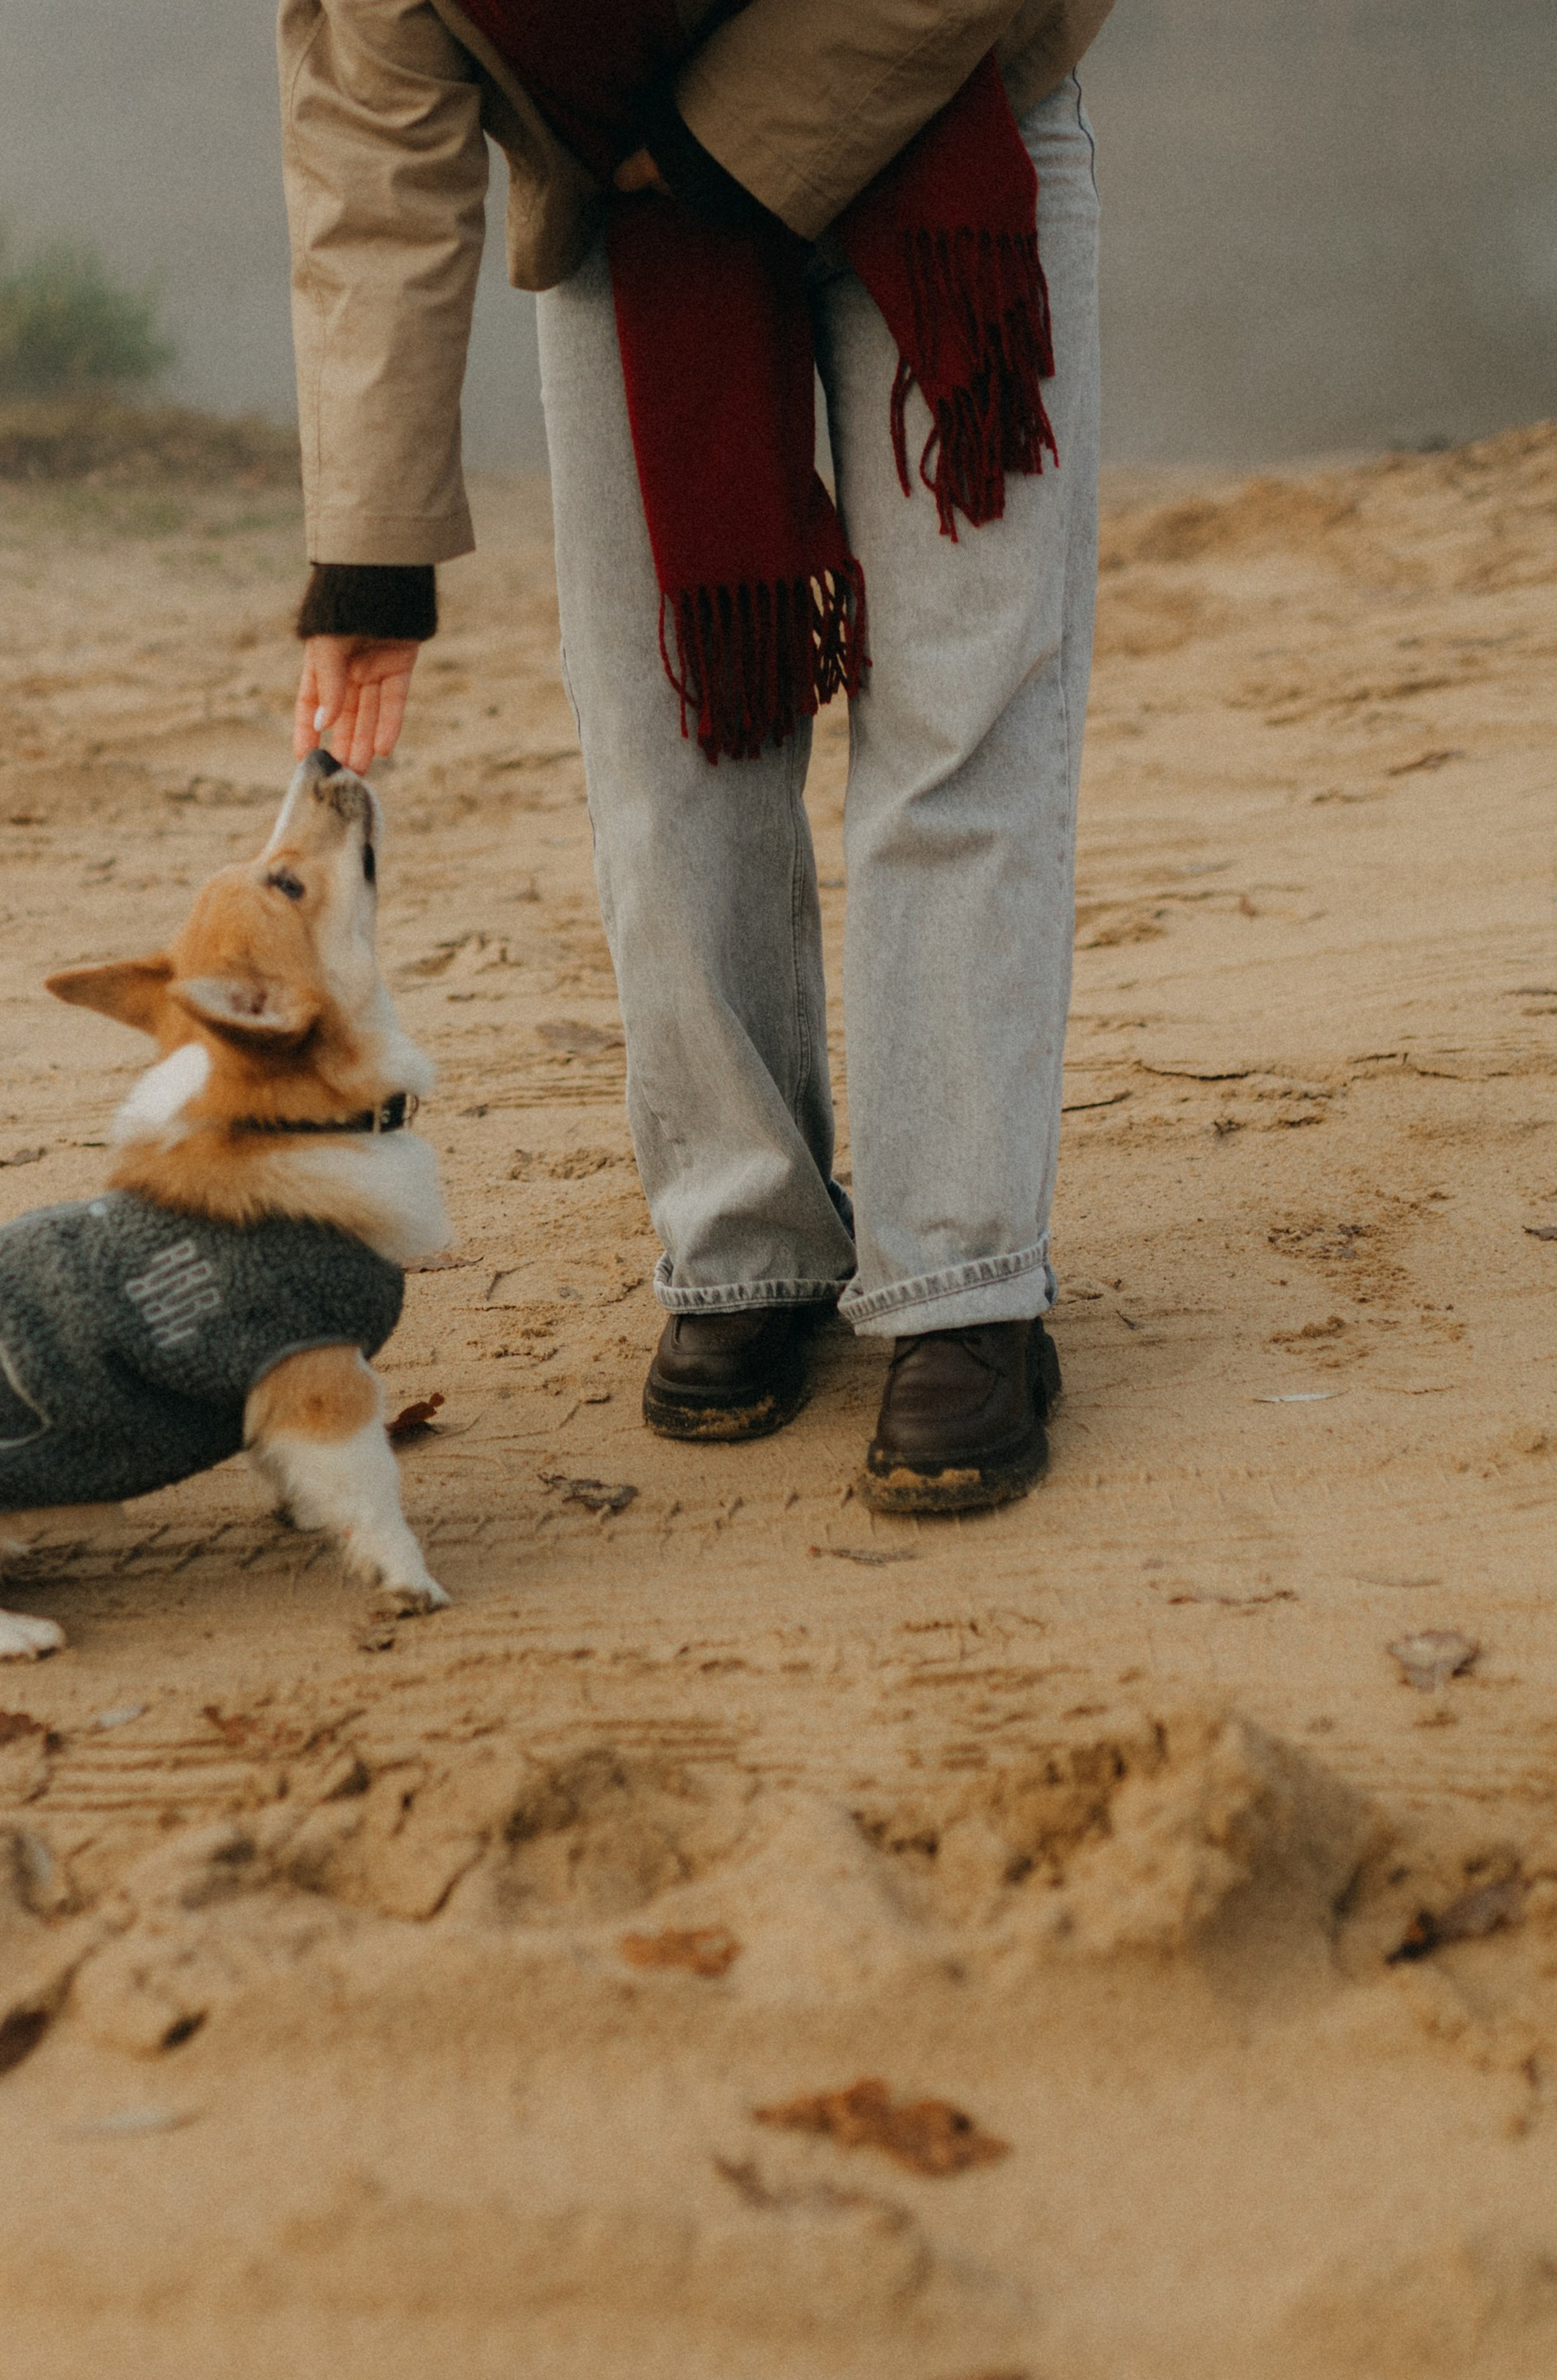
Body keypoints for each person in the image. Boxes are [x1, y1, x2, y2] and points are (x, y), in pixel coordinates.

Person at [277, 0, 1111, 1510]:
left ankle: (964, 1280)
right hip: (614, 185)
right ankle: (748, 1249)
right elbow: (369, 142)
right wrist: (369, 558)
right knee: (664, 741)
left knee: (958, 720)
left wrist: (721, 144)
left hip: (952, 116)